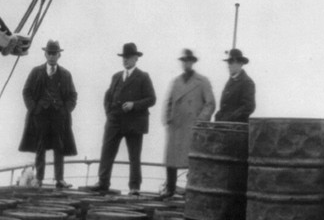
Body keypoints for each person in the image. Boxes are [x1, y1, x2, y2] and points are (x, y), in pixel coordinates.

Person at [90, 42, 157, 196]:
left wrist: (134, 105)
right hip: (114, 121)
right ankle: (103, 182)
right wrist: (109, 113)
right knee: (107, 151)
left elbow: (152, 99)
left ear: (135, 58)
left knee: (134, 156)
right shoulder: (116, 77)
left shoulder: (143, 77)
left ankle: (134, 187)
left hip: (134, 122)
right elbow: (107, 97)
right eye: (123, 57)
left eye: (128, 57)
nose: (125, 60)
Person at [18, 39, 78, 188]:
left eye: (55, 53)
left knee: (59, 146)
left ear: (59, 55)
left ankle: (59, 179)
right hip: (40, 116)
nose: (52, 56)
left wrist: (65, 111)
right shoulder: (36, 72)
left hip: (59, 116)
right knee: (40, 146)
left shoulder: (66, 74)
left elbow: (73, 95)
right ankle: (39, 179)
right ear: (45, 54)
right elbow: (26, 91)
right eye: (49, 53)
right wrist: (34, 109)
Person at [161, 48, 215, 197]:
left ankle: (191, 191)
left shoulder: (202, 81)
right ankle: (170, 189)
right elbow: (169, 102)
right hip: (176, 125)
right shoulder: (176, 81)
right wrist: (167, 119)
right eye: (184, 61)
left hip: (192, 126)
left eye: (189, 61)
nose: (186, 64)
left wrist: (200, 122)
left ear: (193, 62)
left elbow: (210, 103)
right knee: (171, 159)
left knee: (191, 160)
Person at [213, 48, 255, 123]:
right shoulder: (230, 82)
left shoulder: (247, 82)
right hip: (224, 126)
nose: (228, 66)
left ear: (240, 64)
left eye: (231, 62)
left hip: (237, 129)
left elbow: (248, 106)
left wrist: (230, 118)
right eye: (228, 62)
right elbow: (224, 106)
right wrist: (218, 116)